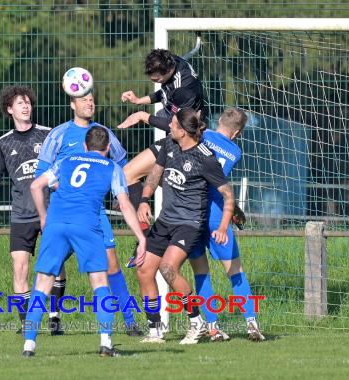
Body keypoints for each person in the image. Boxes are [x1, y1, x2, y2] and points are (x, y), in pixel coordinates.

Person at [24, 126, 147, 357]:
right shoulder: (112, 167)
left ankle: (29, 346)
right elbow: (125, 204)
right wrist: (140, 237)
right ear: (108, 147)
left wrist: (43, 217)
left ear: (84, 146)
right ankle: (105, 343)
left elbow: (35, 185)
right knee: (100, 281)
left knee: (42, 282)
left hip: (56, 222)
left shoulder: (67, 160)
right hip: (87, 224)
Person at [135, 108, 235, 344]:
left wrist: (222, 228)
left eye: (172, 124)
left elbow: (229, 196)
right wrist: (143, 200)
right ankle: (155, 329)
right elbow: (154, 174)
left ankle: (196, 322)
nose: (169, 126)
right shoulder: (170, 144)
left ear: (184, 130)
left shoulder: (206, 158)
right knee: (144, 270)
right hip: (165, 220)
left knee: (168, 268)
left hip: (189, 224)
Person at [0, 85, 58, 332]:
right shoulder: (4, 142)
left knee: (55, 265)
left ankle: (54, 316)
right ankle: (27, 323)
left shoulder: (47, 135)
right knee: (19, 266)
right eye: (20, 103)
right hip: (21, 213)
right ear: (9, 109)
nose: (26, 107)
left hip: (50, 212)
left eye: (28, 103)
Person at [189, 107, 266, 342]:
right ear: (237, 133)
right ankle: (252, 323)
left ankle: (212, 326)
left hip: (191, 212)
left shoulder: (201, 136)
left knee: (201, 271)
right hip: (216, 215)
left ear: (219, 121)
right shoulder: (235, 151)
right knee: (235, 271)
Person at [117, 48, 205, 212]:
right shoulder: (171, 61)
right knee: (130, 174)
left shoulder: (185, 89)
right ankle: (144, 237)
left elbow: (179, 127)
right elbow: (164, 92)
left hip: (185, 142)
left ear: (169, 70)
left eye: (157, 78)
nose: (156, 81)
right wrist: (139, 101)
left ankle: (213, 200)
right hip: (174, 138)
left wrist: (143, 116)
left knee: (131, 174)